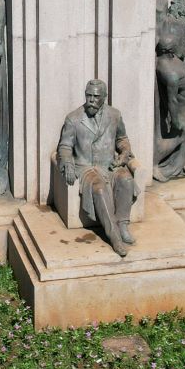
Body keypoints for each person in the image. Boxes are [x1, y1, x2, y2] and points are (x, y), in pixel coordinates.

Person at [56, 79, 139, 256]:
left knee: (126, 179)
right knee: (99, 189)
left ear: (104, 97)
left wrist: (125, 152)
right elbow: (65, 146)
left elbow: (122, 139)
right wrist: (68, 163)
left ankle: (123, 225)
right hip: (87, 168)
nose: (91, 100)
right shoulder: (74, 118)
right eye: (88, 96)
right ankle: (115, 237)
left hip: (110, 165)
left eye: (95, 97)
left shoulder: (114, 115)